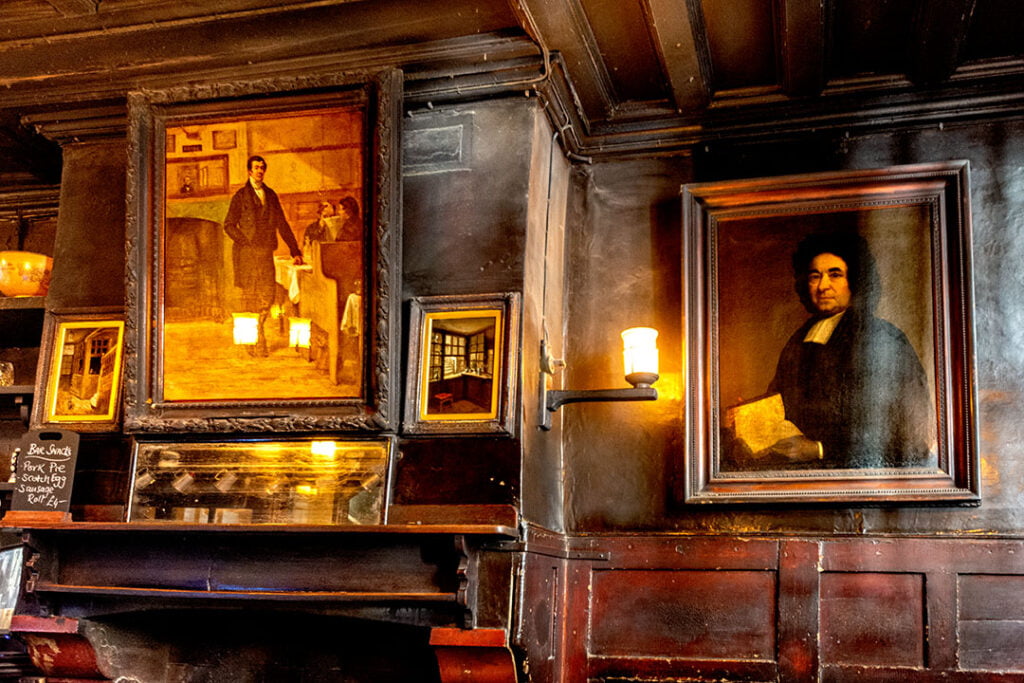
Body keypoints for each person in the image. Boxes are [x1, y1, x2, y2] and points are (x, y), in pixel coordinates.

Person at [761, 231, 934, 469]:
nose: (823, 286)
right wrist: (756, 415)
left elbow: (902, 433)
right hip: (799, 475)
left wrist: (819, 449)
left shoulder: (883, 338)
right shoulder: (798, 340)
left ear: (855, 280)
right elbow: (779, 402)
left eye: (835, 274)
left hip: (857, 477)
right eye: (815, 276)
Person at [223, 155, 302, 356]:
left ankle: (258, 332)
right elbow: (229, 225)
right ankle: (255, 342)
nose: (260, 171)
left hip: (265, 253)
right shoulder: (240, 196)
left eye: (262, 168)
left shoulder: (271, 195)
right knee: (250, 298)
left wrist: (295, 250)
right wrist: (245, 241)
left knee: (267, 296)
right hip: (247, 256)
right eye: (256, 168)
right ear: (249, 171)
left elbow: (282, 224)